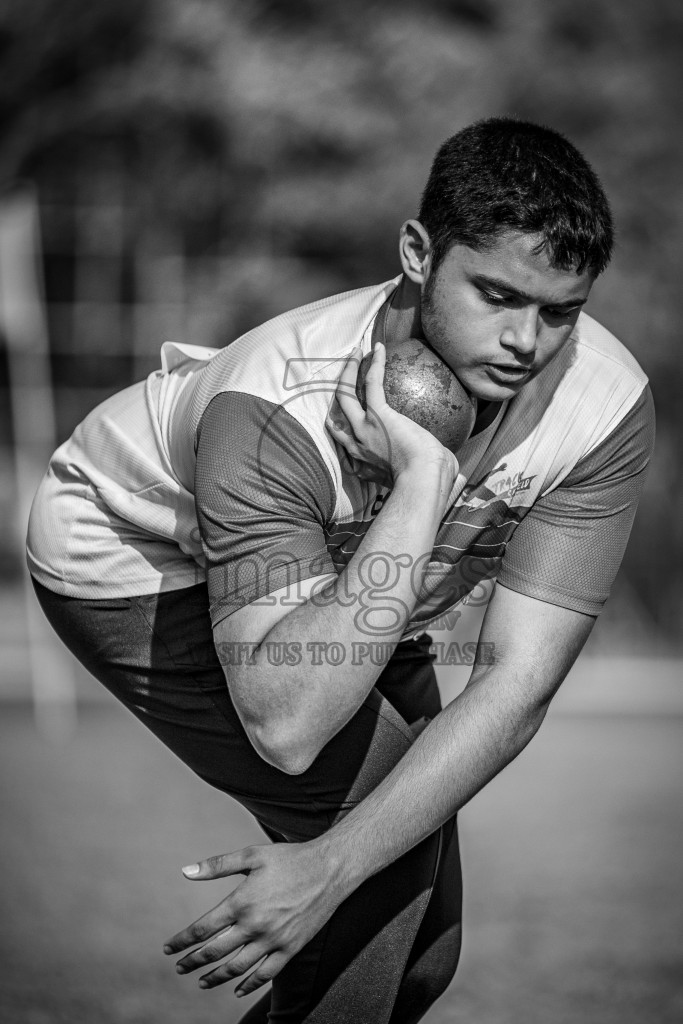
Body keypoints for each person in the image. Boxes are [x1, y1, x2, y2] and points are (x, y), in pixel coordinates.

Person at [27, 117, 654, 1023]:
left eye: (559, 311)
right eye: (496, 295)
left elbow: (517, 684)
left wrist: (329, 863)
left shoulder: (601, 404)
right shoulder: (275, 401)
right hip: (137, 555)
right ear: (416, 251)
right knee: (371, 878)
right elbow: (289, 724)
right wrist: (423, 485)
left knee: (421, 951)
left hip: (358, 582)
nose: (527, 341)